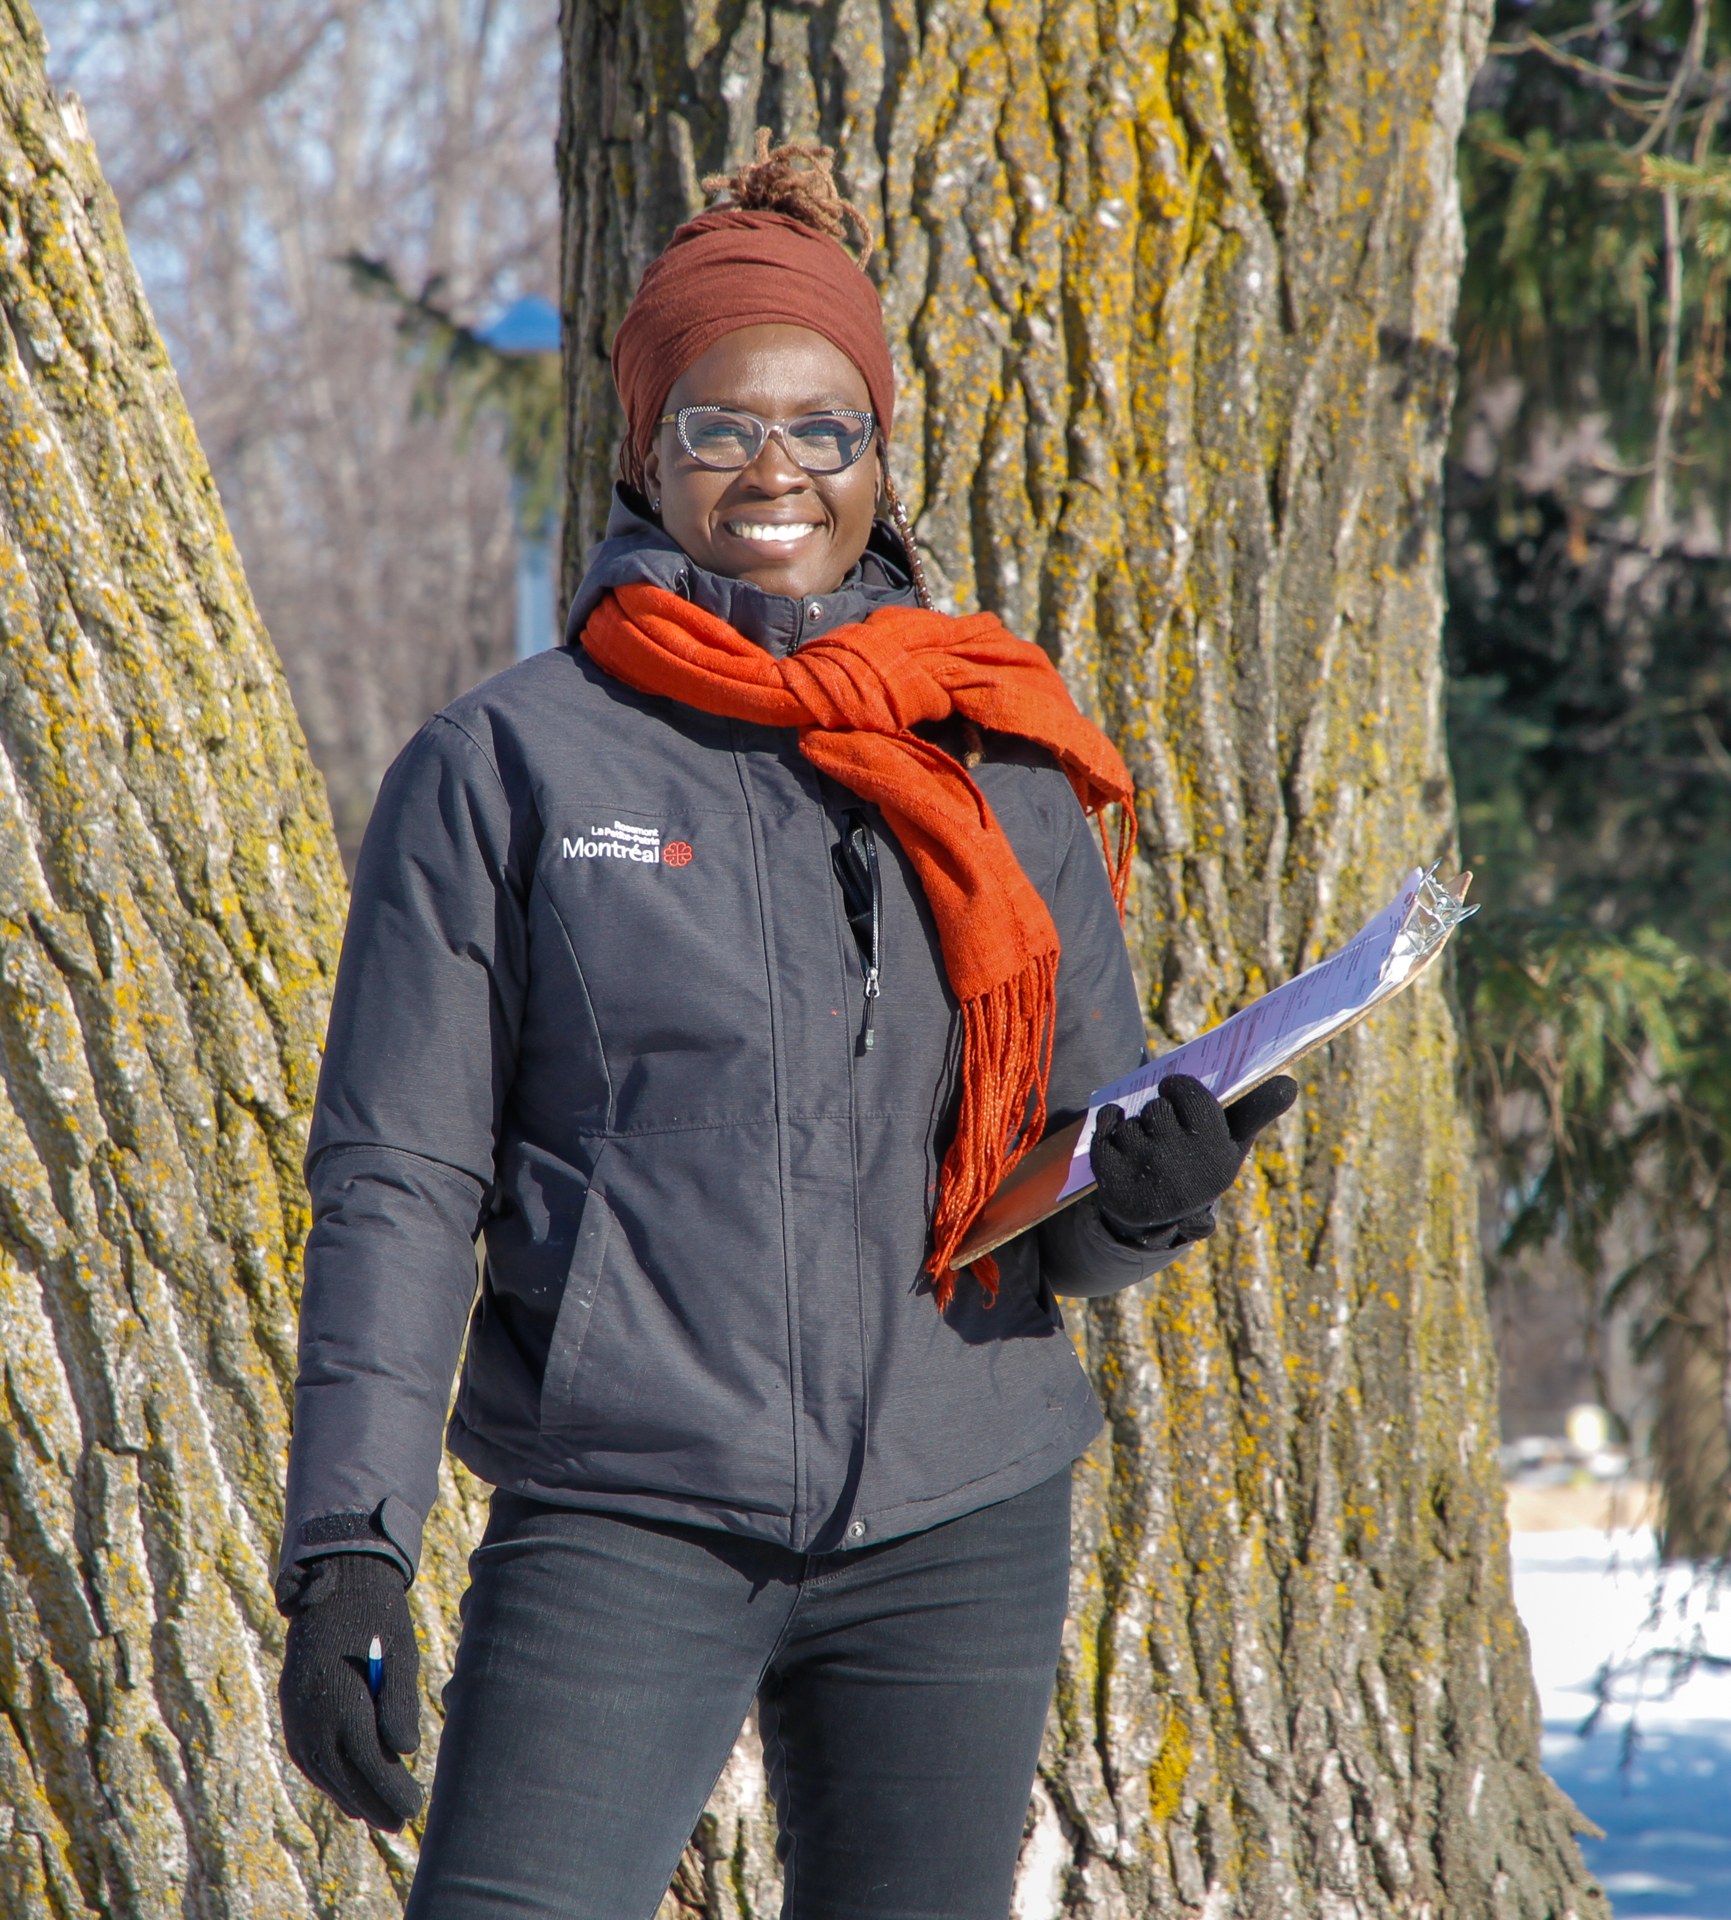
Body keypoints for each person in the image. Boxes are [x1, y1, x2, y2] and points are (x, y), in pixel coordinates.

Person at [274, 135, 1294, 1920]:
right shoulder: (506, 767)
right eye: (720, 426)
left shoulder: (995, 761)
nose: (773, 469)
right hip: (625, 1510)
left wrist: (1145, 1196)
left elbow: (1055, 1184)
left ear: (879, 462)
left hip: (960, 1511)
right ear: (643, 450)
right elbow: (400, 1178)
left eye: (824, 430)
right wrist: (348, 1551)